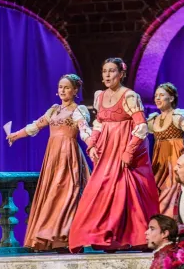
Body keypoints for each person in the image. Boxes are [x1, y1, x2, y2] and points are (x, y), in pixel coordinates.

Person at [68, 58, 159, 252]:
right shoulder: (99, 96)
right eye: (105, 71)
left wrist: (129, 151)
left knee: (126, 190)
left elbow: (141, 126)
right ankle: (106, 237)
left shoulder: (129, 96)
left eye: (112, 71)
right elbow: (99, 123)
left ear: (121, 74)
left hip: (125, 145)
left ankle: (135, 236)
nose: (108, 75)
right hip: (106, 148)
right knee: (101, 190)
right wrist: (92, 144)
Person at [7, 74, 91, 251]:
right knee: (53, 194)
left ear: (75, 90)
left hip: (68, 155)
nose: (62, 90)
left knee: (67, 195)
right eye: (60, 87)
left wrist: (93, 145)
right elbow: (36, 126)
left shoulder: (78, 110)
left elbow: (84, 131)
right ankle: (51, 238)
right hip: (53, 156)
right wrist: (15, 135)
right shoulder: (54, 110)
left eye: (67, 87)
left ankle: (67, 238)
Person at [147, 83, 184, 216]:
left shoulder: (176, 116)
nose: (157, 98)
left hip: (175, 160)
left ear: (171, 98)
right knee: (157, 189)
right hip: (160, 162)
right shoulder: (154, 119)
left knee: (173, 189)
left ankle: (172, 218)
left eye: (161, 95)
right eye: (156, 95)